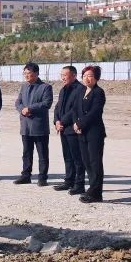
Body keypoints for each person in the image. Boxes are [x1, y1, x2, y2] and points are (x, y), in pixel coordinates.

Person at [13, 62, 53, 186]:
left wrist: (30, 108)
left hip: (39, 126)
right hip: (25, 126)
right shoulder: (24, 86)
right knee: (26, 153)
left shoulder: (45, 87)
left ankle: (42, 177)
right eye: (24, 73)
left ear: (36, 73)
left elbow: (46, 103)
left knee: (42, 154)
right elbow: (18, 102)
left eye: (28, 73)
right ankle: (26, 175)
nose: (26, 75)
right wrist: (22, 109)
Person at [73, 64, 107, 203]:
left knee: (95, 162)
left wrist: (80, 124)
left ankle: (95, 192)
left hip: (94, 133)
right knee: (87, 162)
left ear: (96, 78)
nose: (87, 78)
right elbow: (75, 109)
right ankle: (93, 190)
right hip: (82, 132)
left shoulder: (99, 92)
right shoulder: (81, 91)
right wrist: (76, 123)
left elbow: (95, 112)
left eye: (90, 76)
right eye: (85, 76)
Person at [52, 65, 85, 194]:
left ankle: (79, 184)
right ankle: (69, 181)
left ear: (74, 75)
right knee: (67, 157)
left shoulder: (80, 89)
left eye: (65, 75)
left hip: (73, 128)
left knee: (77, 158)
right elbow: (57, 107)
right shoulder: (63, 89)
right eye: (61, 75)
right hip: (63, 129)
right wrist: (56, 121)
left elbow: (75, 110)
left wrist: (62, 121)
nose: (62, 78)